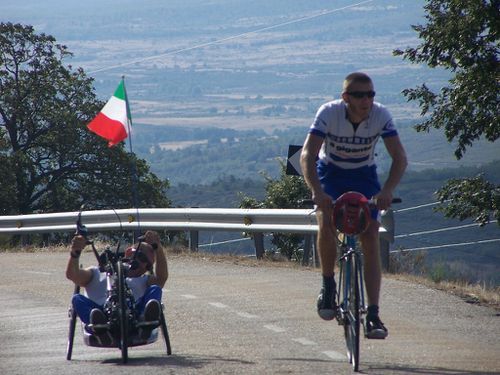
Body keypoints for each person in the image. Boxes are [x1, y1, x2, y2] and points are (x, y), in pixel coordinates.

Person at [300, 72, 407, 339]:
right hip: (331, 173)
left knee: (370, 235)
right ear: (345, 97)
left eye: (370, 94)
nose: (366, 100)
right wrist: (317, 191)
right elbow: (307, 155)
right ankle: (328, 286)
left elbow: (400, 158)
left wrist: (386, 191)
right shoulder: (329, 113)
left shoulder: (380, 115)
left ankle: (372, 314)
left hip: (363, 175)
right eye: (359, 95)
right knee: (325, 221)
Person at [66, 230, 168, 343]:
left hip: (135, 317)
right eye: (141, 257)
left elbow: (161, 278)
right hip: (101, 314)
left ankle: (145, 324)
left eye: (148, 265)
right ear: (129, 252)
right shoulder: (96, 273)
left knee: (156, 289)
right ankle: (100, 328)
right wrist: (75, 252)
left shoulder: (144, 280)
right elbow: (72, 275)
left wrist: (158, 248)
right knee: (76, 299)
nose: (143, 265)